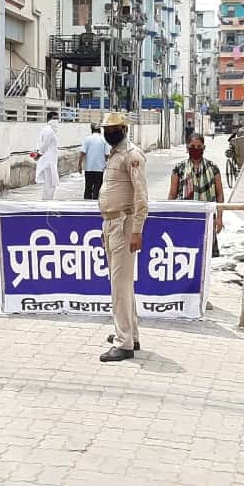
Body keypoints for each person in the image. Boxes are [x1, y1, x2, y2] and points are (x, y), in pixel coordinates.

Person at [97, 112, 148, 362]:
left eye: (114, 128)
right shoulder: (115, 153)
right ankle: (130, 334)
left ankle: (123, 342)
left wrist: (137, 230)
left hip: (124, 224)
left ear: (124, 129)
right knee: (123, 284)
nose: (109, 133)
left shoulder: (132, 155)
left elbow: (141, 197)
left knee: (119, 285)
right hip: (112, 223)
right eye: (106, 129)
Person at [168, 134, 225, 257]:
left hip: (208, 219)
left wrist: (219, 218)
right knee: (186, 256)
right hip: (185, 219)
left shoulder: (213, 168)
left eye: (199, 146)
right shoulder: (179, 168)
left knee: (207, 257)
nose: (196, 149)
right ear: (187, 147)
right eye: (192, 146)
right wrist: (170, 219)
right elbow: (172, 195)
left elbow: (220, 194)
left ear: (204, 147)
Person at [35, 111, 60, 201]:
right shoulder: (49, 130)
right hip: (48, 162)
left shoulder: (48, 130)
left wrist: (38, 153)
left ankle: (47, 202)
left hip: (49, 161)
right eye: (54, 118)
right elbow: (44, 144)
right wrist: (38, 154)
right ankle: (47, 203)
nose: (56, 121)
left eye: (57, 119)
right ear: (49, 119)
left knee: (50, 184)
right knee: (50, 184)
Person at [79, 124, 108, 200]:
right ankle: (95, 203)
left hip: (89, 168)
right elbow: (107, 154)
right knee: (97, 187)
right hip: (100, 168)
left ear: (91, 130)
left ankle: (86, 203)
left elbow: (82, 152)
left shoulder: (87, 139)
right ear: (100, 130)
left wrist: (79, 164)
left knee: (88, 186)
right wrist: (107, 164)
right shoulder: (104, 139)